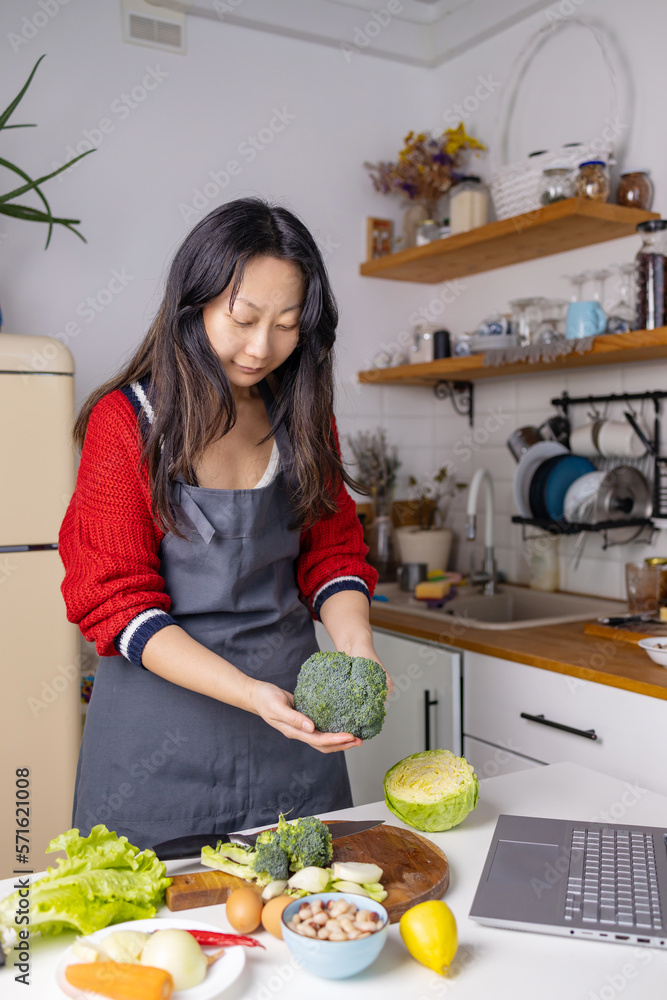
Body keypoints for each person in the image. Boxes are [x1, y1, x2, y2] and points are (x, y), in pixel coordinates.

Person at [59, 197, 392, 849]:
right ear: (194, 304)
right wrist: (248, 692)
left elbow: (332, 556)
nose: (261, 346)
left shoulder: (300, 418)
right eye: (242, 319)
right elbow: (116, 601)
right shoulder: (125, 423)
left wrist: (356, 648)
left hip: (292, 738)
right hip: (156, 754)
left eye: (288, 324)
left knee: (308, 915)